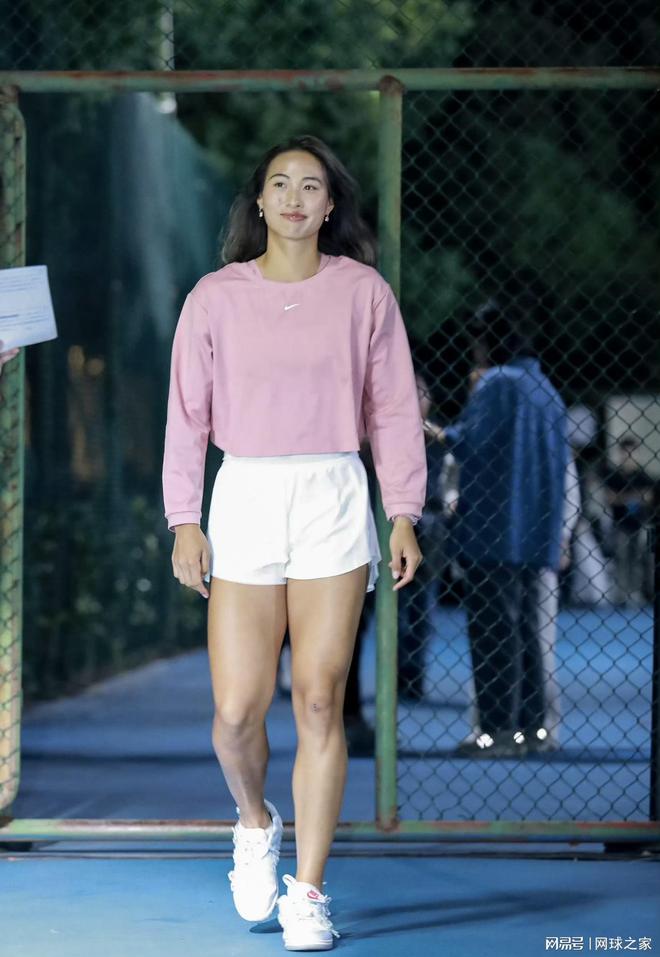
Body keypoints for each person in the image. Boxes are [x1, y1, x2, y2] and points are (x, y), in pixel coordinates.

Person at [162, 135, 426, 951]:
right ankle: (254, 820)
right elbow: (187, 414)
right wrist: (183, 518)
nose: (294, 198)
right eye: (280, 183)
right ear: (260, 200)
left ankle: (307, 891)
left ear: (331, 204)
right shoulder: (215, 296)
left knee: (319, 697)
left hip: (333, 497)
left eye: (311, 186)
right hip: (243, 495)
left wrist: (403, 510)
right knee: (236, 710)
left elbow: (391, 407)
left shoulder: (364, 292)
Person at [435, 301, 569, 759]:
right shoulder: (545, 388)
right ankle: (532, 729)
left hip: (494, 529)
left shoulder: (497, 382)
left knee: (493, 633)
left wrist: (433, 431)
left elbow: (469, 442)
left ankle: (495, 732)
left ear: (488, 341)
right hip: (536, 531)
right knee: (527, 631)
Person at [603, 435, 654, 607]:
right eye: (625, 452)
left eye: (632, 453)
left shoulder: (644, 476)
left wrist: (622, 497)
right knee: (622, 557)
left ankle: (638, 592)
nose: (628, 457)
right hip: (620, 524)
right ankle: (622, 594)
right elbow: (610, 498)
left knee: (641, 557)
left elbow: (648, 497)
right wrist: (634, 496)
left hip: (641, 524)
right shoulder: (614, 476)